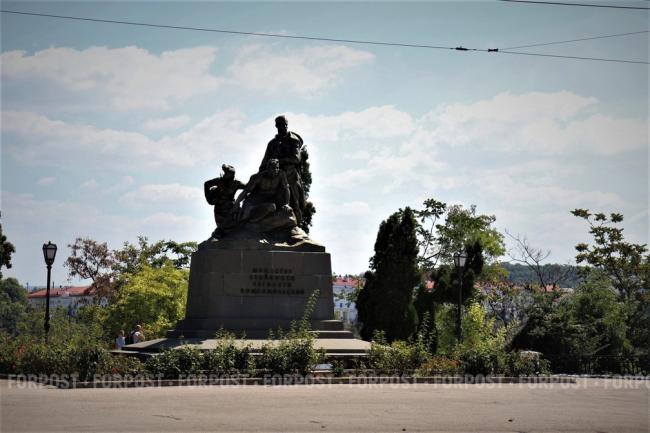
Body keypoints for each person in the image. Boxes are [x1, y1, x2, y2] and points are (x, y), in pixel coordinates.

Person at [259, 115, 305, 223]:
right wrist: (259, 175)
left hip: (289, 173)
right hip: (273, 174)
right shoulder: (272, 143)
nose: (282, 127)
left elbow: (296, 158)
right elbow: (265, 161)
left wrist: (279, 161)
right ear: (276, 126)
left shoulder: (293, 140)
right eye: (279, 125)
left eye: (284, 124)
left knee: (294, 199)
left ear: (287, 125)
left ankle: (297, 221)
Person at [234, 159, 293, 224]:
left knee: (284, 211)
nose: (276, 170)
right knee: (270, 207)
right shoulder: (258, 177)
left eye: (277, 168)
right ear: (268, 169)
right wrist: (237, 203)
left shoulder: (281, 174)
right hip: (256, 201)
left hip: (272, 199)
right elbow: (245, 192)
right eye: (273, 168)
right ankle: (252, 222)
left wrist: (287, 204)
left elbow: (286, 189)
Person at [204, 164, 246, 238]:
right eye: (225, 173)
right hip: (219, 207)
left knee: (235, 223)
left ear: (232, 175)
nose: (225, 175)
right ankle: (219, 234)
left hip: (230, 206)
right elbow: (206, 184)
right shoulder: (219, 181)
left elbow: (248, 187)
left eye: (227, 173)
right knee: (221, 225)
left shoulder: (236, 183)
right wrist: (209, 198)